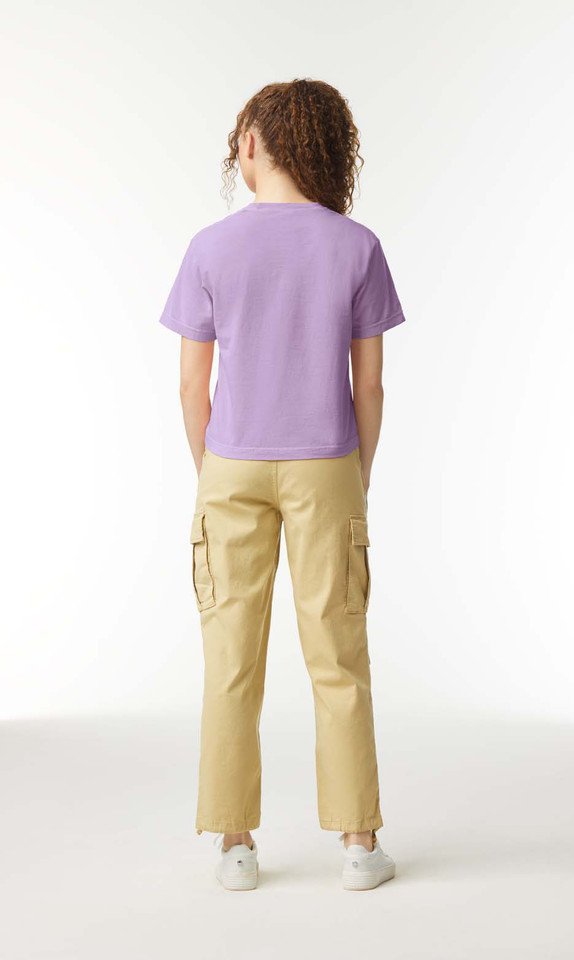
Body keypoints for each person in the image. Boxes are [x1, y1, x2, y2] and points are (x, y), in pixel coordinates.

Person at [159, 78, 406, 891]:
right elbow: (370, 386)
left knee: (231, 659)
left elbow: (191, 386)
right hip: (327, 462)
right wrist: (356, 474)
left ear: (253, 144)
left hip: (229, 463)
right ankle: (360, 846)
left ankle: (235, 846)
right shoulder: (356, 246)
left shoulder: (210, 247)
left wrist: (212, 470)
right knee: (339, 655)